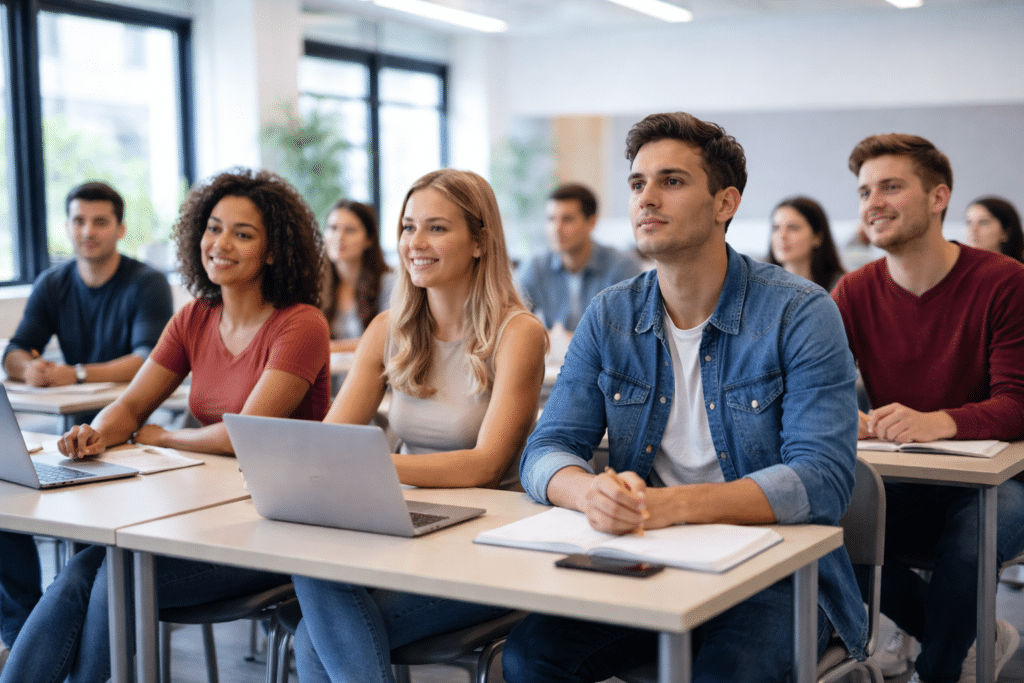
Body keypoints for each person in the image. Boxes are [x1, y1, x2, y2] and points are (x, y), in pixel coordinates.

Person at [502, 112, 865, 683]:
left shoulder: (800, 311)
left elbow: (822, 480)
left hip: (771, 572)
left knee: (726, 672)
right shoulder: (610, 314)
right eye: (637, 183)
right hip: (643, 558)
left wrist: (668, 507)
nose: (647, 198)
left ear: (725, 203)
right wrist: (589, 492)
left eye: (671, 181)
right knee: (527, 658)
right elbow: (547, 448)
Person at [0, 168, 332, 683]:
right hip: (203, 515)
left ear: (272, 251)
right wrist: (99, 431)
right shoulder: (195, 317)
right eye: (214, 227)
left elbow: (243, 435)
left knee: (110, 574)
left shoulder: (301, 324)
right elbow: (131, 407)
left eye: (242, 234)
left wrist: (162, 437)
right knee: (86, 571)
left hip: (274, 532)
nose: (220, 243)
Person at [290, 168, 547, 683]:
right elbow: (329, 442)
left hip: (481, 544)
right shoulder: (388, 329)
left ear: (479, 242)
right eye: (408, 227)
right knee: (308, 560)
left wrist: (377, 468)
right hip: (403, 526)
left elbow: (486, 464)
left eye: (436, 228)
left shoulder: (519, 333)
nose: (415, 243)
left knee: (313, 638)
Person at [833, 134, 1024, 683]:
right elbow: (815, 388)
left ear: (939, 197)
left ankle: (940, 670)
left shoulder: (1004, 283)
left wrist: (940, 421)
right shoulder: (854, 292)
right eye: (865, 190)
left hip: (998, 483)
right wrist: (846, 416)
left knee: (971, 541)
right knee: (821, 518)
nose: (873, 202)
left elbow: (1017, 405)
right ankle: (967, 638)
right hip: (909, 477)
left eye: (891, 186)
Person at [0, 181, 173, 655]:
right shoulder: (53, 282)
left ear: (119, 229)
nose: (87, 231)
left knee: (80, 524)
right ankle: (26, 635)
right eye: (78, 221)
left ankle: (61, 631)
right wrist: (30, 369)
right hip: (74, 434)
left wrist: (73, 373)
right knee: (6, 506)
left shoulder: (147, 283)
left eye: (99, 221)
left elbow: (146, 360)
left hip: (131, 431)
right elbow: (15, 350)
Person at [517, 182, 641, 333]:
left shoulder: (622, 266)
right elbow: (514, 319)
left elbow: (630, 332)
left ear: (591, 222)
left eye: (567, 219)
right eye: (551, 219)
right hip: (552, 354)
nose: (556, 228)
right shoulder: (535, 266)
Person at [320, 198, 393, 352]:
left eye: (350, 230)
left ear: (369, 240)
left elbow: (391, 339)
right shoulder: (316, 286)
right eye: (333, 228)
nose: (339, 237)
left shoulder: (389, 283)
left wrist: (332, 347)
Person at [768, 195, 846, 291]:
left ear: (817, 237)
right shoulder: (759, 287)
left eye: (793, 227)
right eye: (776, 228)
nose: (782, 236)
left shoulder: (842, 288)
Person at [964, 196, 1024, 263]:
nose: (973, 229)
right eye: (969, 222)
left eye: (984, 222)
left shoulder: (1018, 271)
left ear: (1006, 232)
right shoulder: (959, 268)